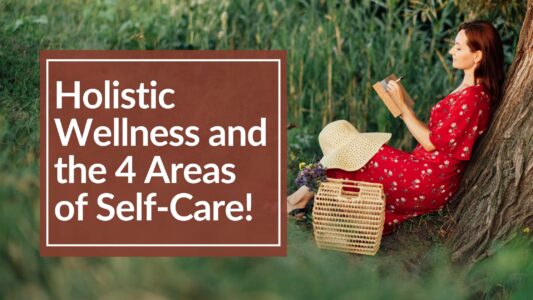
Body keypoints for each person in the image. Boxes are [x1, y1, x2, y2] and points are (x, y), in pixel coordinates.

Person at [287, 20, 504, 235]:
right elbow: (436, 136)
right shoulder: (467, 89)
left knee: (358, 148)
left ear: (477, 56)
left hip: (429, 180)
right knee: (338, 132)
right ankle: (301, 199)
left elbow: (430, 143)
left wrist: (403, 108)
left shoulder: (474, 98)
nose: (451, 51)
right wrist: (400, 106)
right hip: (422, 168)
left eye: (458, 47)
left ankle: (298, 200)